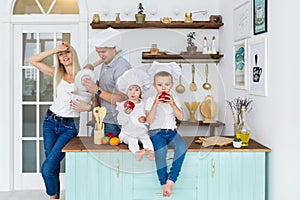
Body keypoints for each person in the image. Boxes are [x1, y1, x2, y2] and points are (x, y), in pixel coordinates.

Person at [28, 42, 91, 199]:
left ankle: (53, 196)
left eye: (67, 52)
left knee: (47, 168)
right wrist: (55, 49)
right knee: (52, 166)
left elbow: (95, 103)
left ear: (73, 54)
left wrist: (87, 107)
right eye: (61, 54)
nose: (64, 56)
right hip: (50, 121)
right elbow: (32, 60)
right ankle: (54, 197)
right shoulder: (57, 73)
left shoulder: (84, 76)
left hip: (69, 127)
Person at [145, 61, 187, 197]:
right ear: (154, 86)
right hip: (156, 132)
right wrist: (156, 104)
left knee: (182, 147)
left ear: (172, 85)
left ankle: (172, 179)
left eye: (167, 85)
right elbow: (149, 120)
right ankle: (163, 182)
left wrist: (173, 104)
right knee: (161, 151)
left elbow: (180, 117)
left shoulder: (174, 99)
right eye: (159, 85)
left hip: (172, 131)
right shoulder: (151, 100)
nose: (163, 88)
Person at [83, 27, 132, 136]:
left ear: (113, 49)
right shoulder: (106, 63)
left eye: (103, 52)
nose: (101, 55)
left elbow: (122, 98)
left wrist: (96, 90)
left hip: (113, 123)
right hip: (102, 118)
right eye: (98, 52)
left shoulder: (121, 68)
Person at [116, 68, 154, 161]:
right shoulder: (123, 105)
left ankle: (151, 152)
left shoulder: (144, 104)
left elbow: (149, 119)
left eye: (136, 90)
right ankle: (137, 153)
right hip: (128, 133)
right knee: (132, 140)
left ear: (141, 91)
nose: (133, 92)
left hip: (141, 132)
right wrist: (125, 113)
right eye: (130, 89)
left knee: (146, 139)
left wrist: (144, 119)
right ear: (126, 91)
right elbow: (121, 122)